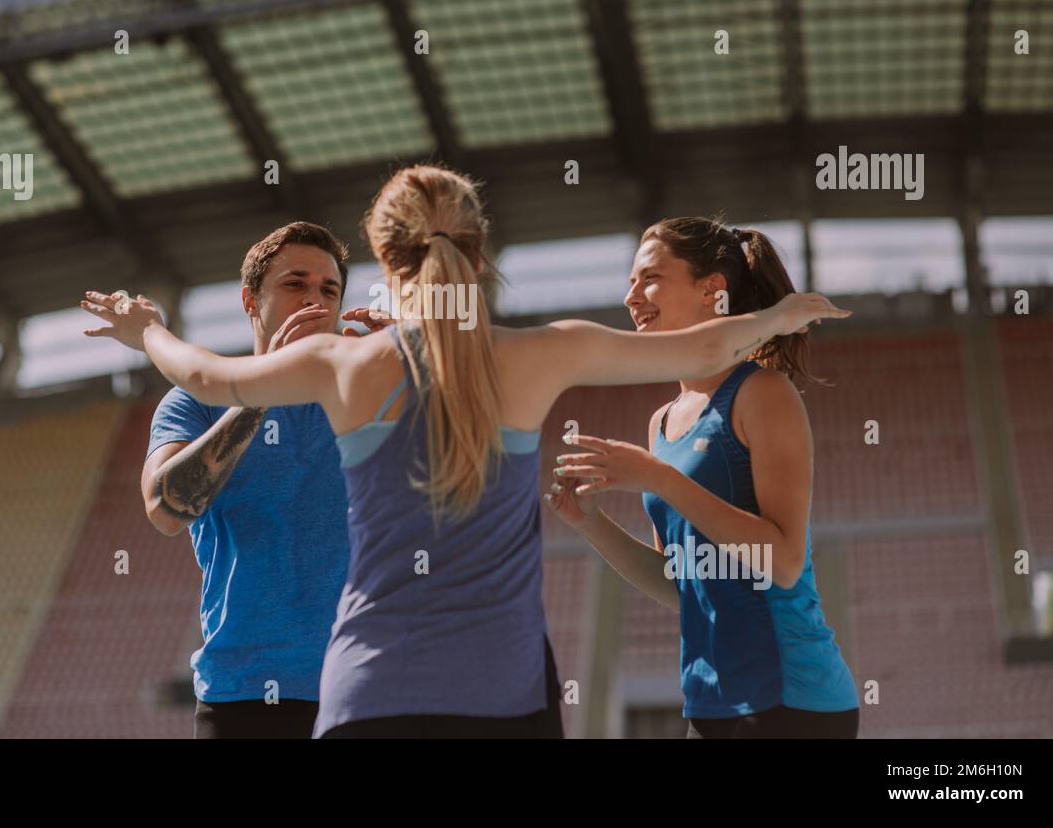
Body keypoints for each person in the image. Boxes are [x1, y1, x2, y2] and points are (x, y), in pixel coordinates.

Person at [83, 167, 849, 739]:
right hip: (503, 696)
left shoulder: (342, 367)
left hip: (365, 696)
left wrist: (144, 327)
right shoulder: (539, 353)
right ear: (479, 255)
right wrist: (780, 311)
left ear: (386, 261)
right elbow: (704, 342)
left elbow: (202, 373)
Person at [548, 217, 860, 738]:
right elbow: (683, 586)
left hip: (791, 702)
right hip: (709, 705)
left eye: (649, 278)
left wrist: (661, 479)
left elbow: (782, 563)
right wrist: (590, 525)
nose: (631, 297)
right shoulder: (661, 421)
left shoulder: (763, 394)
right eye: (629, 282)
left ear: (712, 290)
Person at [139, 221, 387, 739]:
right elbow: (167, 508)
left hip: (366, 688)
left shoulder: (371, 397)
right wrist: (265, 386)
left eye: (329, 289)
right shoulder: (195, 400)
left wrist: (412, 387)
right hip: (244, 698)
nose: (314, 300)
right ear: (251, 301)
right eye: (295, 284)